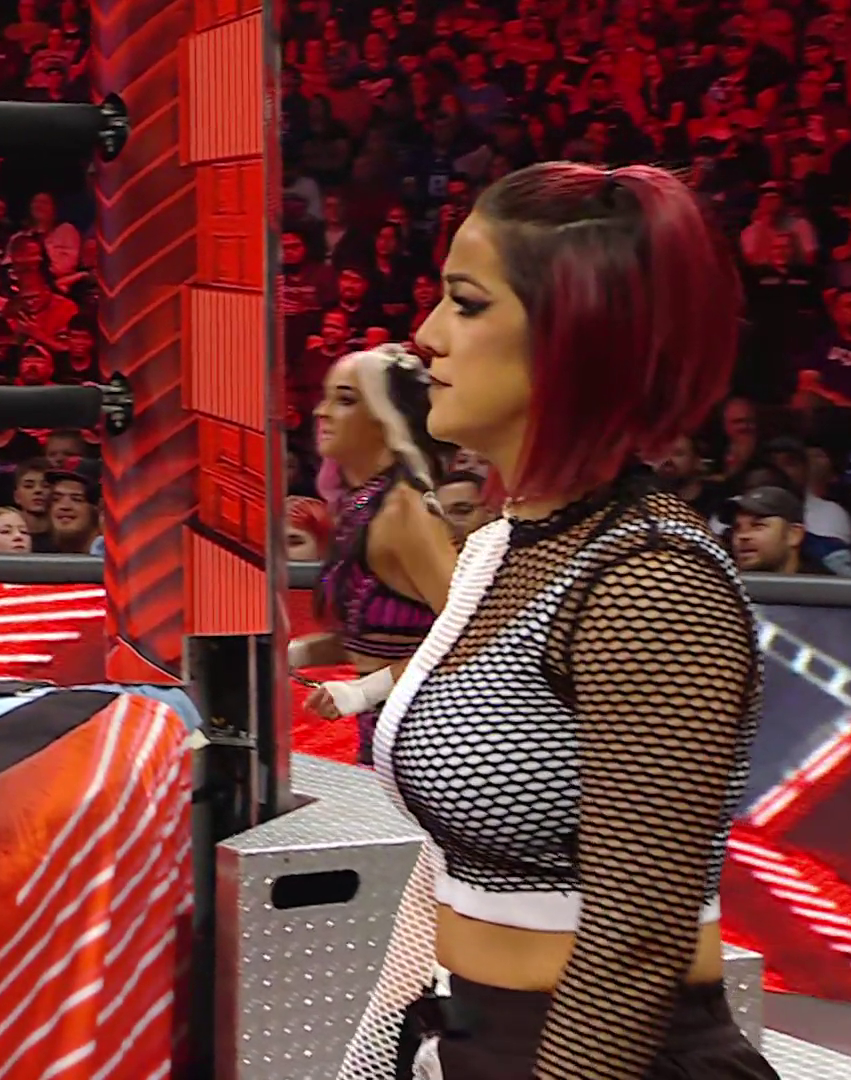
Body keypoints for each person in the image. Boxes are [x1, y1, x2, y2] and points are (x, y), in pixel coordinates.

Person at [389, 163, 778, 1079]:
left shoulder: (652, 582)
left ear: (572, 340)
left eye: (466, 304)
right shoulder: (504, 545)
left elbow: (634, 946)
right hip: (483, 1036)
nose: (426, 335)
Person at [291, 344, 456, 767]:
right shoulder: (363, 504)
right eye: (325, 397)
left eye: (345, 400)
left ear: (385, 419)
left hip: (431, 744)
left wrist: (366, 690)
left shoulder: (404, 509)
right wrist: (297, 653)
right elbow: (382, 639)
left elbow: (472, 636)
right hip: (386, 740)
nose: (322, 412)